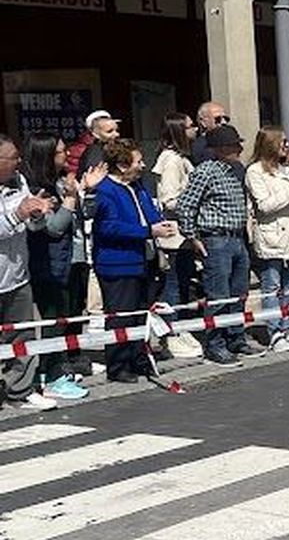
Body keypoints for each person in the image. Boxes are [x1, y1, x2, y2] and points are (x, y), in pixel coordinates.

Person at [92, 139, 178, 383]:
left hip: (144, 260)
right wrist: (148, 231)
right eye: (137, 161)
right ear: (122, 165)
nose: (142, 165)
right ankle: (118, 365)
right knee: (122, 316)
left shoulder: (137, 185)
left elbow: (149, 213)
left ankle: (139, 358)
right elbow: (108, 227)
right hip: (119, 263)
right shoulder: (105, 190)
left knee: (141, 314)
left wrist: (159, 224)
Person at [174, 124, 261, 367]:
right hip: (216, 239)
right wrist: (192, 237)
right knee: (218, 295)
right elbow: (186, 205)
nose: (239, 149)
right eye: (234, 145)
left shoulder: (237, 170)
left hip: (238, 238)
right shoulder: (206, 171)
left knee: (239, 293)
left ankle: (236, 338)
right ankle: (215, 344)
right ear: (220, 148)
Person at [18, 136, 87, 400]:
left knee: (65, 317)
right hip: (47, 264)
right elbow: (54, 228)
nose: (66, 154)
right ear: (45, 156)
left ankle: (58, 368)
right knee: (53, 321)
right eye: (60, 151)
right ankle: (49, 374)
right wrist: (69, 200)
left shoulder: (58, 182)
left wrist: (78, 193)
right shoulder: (37, 189)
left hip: (68, 260)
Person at [0, 135, 62, 409]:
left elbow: (32, 226)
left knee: (22, 336)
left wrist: (36, 213)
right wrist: (18, 214)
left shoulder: (20, 181)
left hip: (17, 276)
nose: (19, 162)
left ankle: (21, 389)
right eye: (13, 158)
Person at [245, 126, 289, 351]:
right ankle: (275, 332)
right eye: (282, 142)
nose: (287, 146)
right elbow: (265, 206)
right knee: (272, 286)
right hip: (272, 237)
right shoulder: (255, 171)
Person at [149, 114, 202, 359]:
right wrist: (195, 202)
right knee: (173, 285)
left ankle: (180, 328)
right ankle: (171, 332)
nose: (195, 129)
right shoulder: (171, 161)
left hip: (185, 232)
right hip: (174, 233)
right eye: (190, 126)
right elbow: (169, 199)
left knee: (183, 283)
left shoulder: (182, 159)